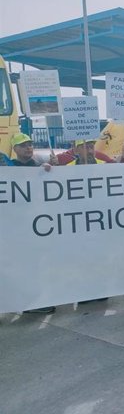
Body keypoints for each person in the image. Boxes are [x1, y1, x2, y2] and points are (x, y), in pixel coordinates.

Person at [8, 133, 56, 314]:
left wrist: (50, 170)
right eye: (23, 145)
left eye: (30, 144)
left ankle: (36, 301)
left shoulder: (39, 167)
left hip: (35, 225)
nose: (28, 147)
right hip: (14, 226)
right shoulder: (8, 168)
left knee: (36, 264)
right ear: (15, 149)